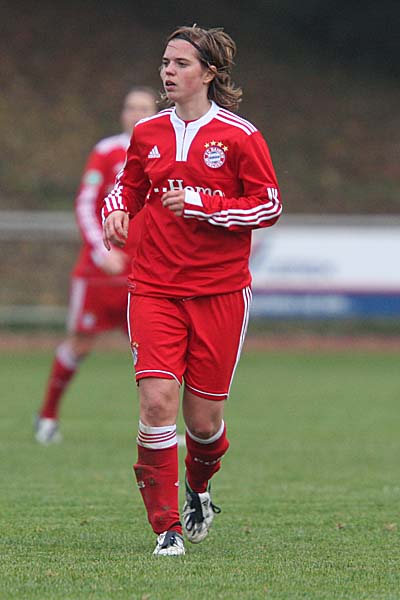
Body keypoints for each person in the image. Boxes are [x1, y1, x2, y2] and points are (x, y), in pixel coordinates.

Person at [102, 25, 282, 556]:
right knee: (157, 401)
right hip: (154, 287)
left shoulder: (240, 136)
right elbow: (128, 187)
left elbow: (268, 204)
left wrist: (206, 206)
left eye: (180, 63)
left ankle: (199, 487)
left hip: (220, 293)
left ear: (209, 73)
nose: (168, 71)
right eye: (165, 62)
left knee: (203, 423)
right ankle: (166, 529)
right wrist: (117, 211)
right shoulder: (148, 132)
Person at [35, 87, 158, 445]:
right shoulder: (106, 151)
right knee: (80, 344)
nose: (135, 113)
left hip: (146, 272)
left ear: (156, 113)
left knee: (153, 352)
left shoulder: (166, 150)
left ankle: (159, 427)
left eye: (143, 108)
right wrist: (101, 251)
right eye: (130, 107)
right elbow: (85, 203)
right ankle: (47, 417)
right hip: (102, 273)